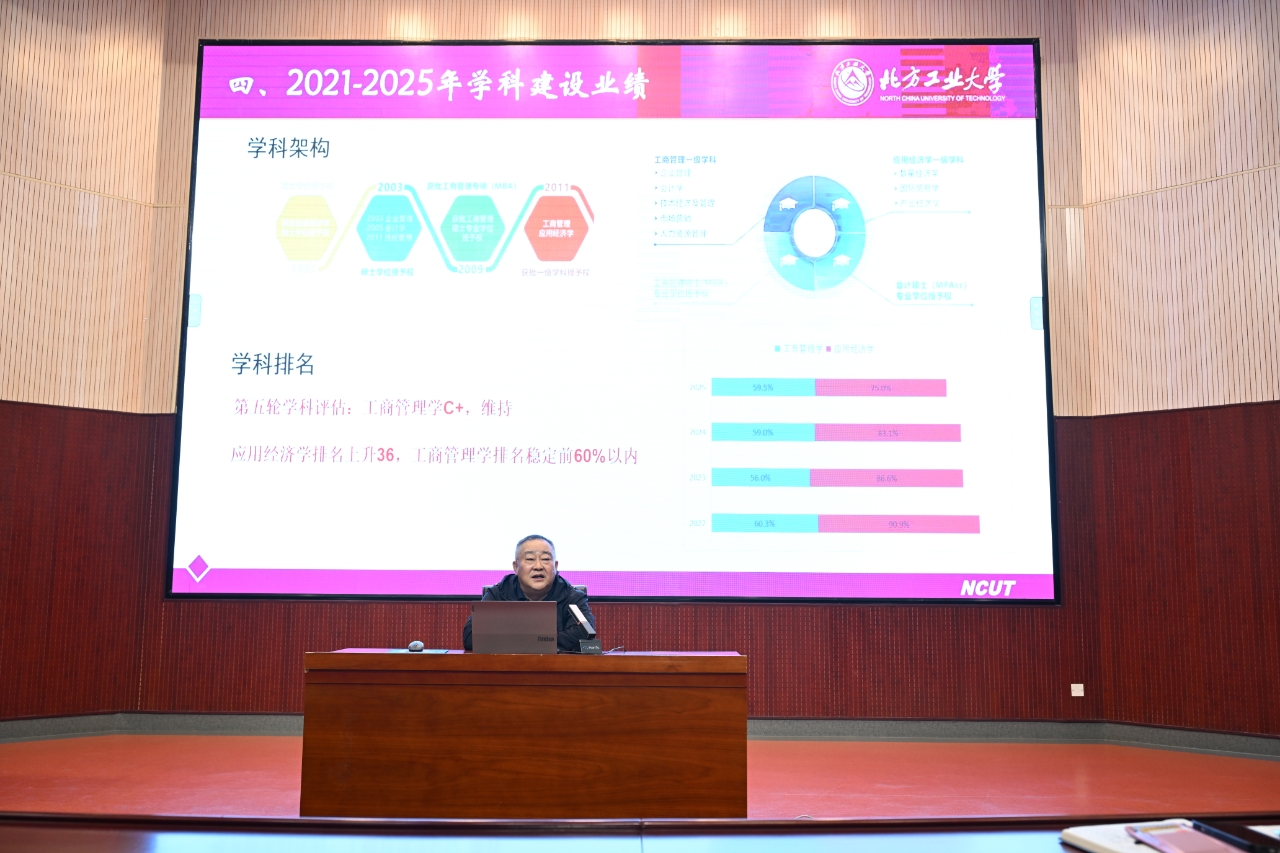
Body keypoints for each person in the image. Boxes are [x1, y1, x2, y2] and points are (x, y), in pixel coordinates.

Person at [462, 534, 596, 653]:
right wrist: (542, 641)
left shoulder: (572, 597)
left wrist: (523, 641)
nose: (538, 566)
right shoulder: (499, 594)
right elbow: (470, 637)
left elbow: (585, 633)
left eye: (545, 559)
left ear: (555, 566)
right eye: (530, 559)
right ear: (516, 567)